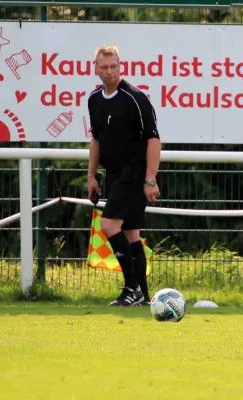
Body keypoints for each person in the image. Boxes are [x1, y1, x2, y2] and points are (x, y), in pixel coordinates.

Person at [87, 45, 161, 306]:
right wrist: (92, 176)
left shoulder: (135, 97)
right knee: (131, 234)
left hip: (136, 171)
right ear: (95, 68)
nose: (109, 71)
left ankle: (131, 288)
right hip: (114, 173)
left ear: (121, 66)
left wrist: (150, 179)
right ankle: (142, 296)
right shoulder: (94, 99)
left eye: (113, 66)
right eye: (104, 67)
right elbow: (96, 140)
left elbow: (153, 140)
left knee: (108, 226)